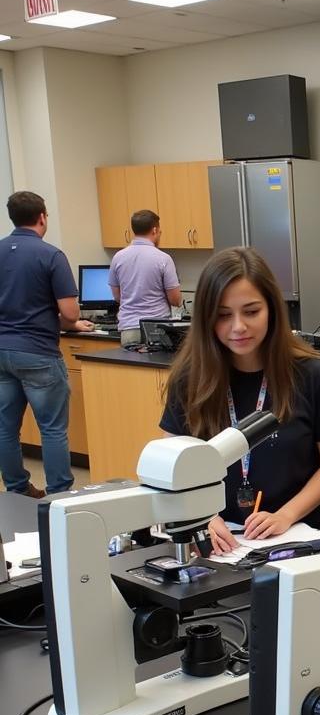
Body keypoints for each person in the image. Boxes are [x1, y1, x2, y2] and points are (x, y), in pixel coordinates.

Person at [160, 247, 320, 554]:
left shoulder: (311, 374)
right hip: (226, 543)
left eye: (251, 312)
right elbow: (173, 469)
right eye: (223, 315)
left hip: (302, 534)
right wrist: (202, 518)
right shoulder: (189, 380)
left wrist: (286, 515)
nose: (238, 327)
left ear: (272, 309)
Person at [0, 191, 93, 498]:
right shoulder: (51, 255)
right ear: (42, 217)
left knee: (5, 427)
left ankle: (16, 489)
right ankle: (58, 494)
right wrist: (70, 321)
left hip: (2, 351)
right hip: (37, 351)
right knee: (52, 428)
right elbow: (69, 312)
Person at [109, 210, 182, 347]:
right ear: (154, 230)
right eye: (160, 231)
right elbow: (175, 300)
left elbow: (118, 297)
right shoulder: (163, 259)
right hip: (157, 329)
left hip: (129, 329)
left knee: (132, 368)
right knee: (156, 368)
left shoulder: (118, 257)